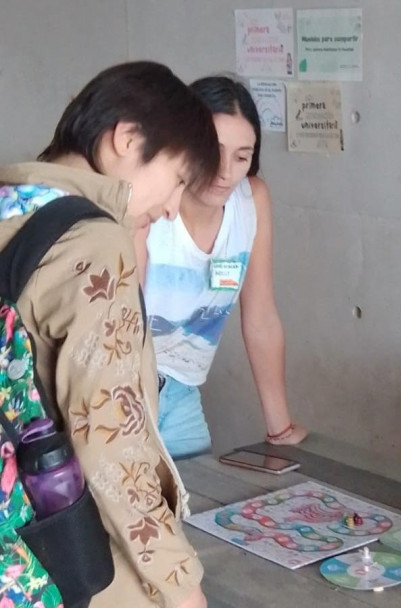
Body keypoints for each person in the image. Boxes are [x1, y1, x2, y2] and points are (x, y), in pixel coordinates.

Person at [0, 61, 219, 608]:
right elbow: (109, 438)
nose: (172, 208)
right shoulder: (95, 242)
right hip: (63, 557)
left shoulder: (11, 205)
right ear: (127, 139)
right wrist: (180, 585)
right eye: (177, 181)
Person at [136, 76, 306, 460]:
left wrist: (280, 430)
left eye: (242, 156)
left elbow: (261, 318)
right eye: (213, 150)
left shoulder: (252, 201)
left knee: (194, 512)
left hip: (180, 391)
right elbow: (121, 323)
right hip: (121, 395)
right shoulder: (147, 204)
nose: (226, 171)